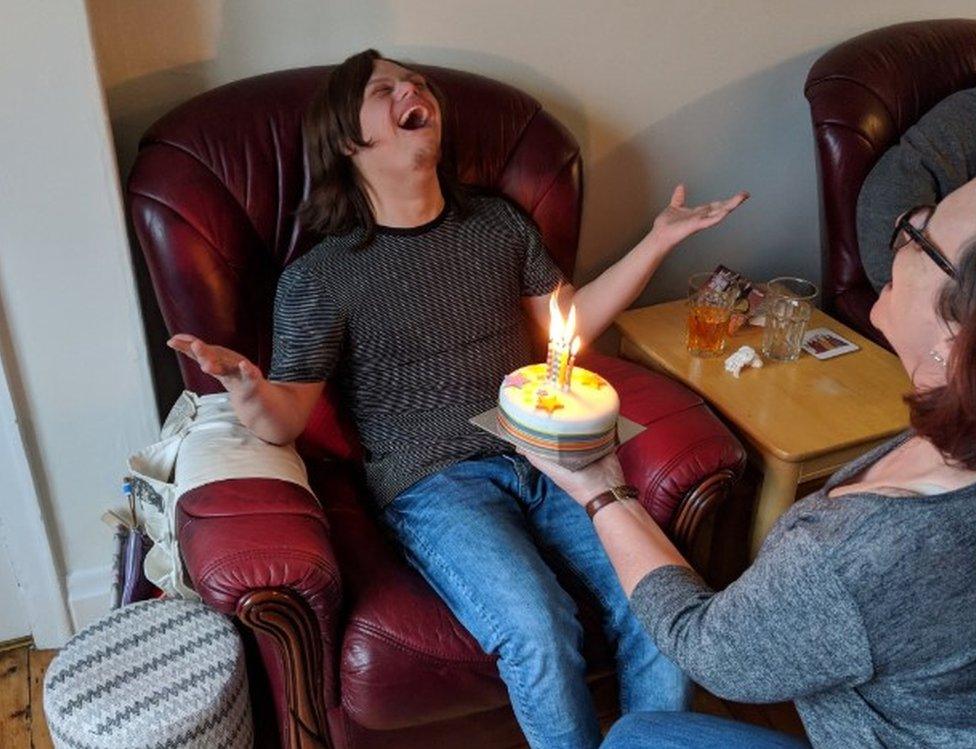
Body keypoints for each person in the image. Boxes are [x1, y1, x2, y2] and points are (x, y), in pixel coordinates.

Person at [167, 49, 747, 749]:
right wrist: (245, 387)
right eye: (385, 89)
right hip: (434, 482)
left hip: (550, 454)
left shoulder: (499, 226)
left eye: (414, 81)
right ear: (350, 141)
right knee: (537, 624)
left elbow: (571, 322)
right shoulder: (320, 276)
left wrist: (657, 241)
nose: (413, 88)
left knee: (658, 598)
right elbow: (285, 416)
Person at [525, 179, 976, 747]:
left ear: (957, 333)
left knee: (634, 740)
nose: (898, 232)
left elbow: (707, 650)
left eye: (921, 233)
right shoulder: (948, 444)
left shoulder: (864, 551)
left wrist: (600, 487)